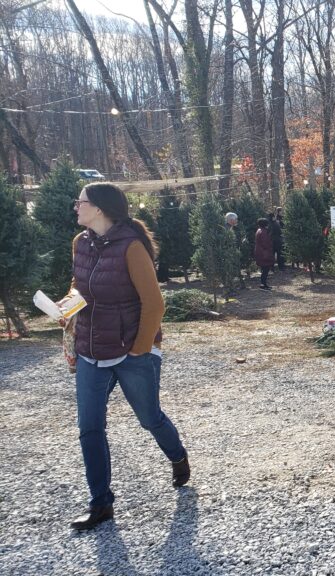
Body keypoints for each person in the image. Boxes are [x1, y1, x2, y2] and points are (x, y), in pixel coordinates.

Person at [64, 182, 190, 531]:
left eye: (81, 202)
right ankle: (101, 504)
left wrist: (138, 350)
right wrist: (66, 310)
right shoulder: (81, 244)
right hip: (91, 350)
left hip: (132, 352)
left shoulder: (131, 248)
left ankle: (178, 456)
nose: (76, 206)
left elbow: (154, 304)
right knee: (89, 428)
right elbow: (78, 287)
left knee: (149, 418)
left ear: (100, 208)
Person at [224, 212, 247, 295]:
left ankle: (236, 287)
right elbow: (228, 242)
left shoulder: (233, 228)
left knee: (235, 270)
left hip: (234, 252)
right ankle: (229, 290)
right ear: (231, 220)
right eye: (236, 219)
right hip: (229, 254)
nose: (237, 220)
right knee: (230, 272)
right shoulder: (226, 228)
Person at [254, 217, 274, 290]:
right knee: (266, 269)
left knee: (264, 269)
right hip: (264, 253)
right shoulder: (264, 232)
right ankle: (263, 285)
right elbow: (266, 243)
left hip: (259, 252)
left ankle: (264, 284)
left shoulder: (259, 230)